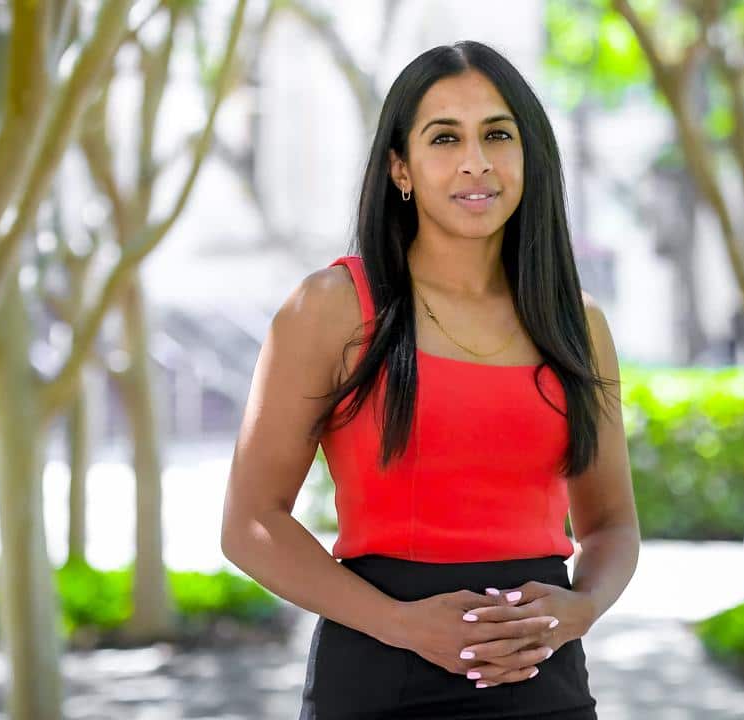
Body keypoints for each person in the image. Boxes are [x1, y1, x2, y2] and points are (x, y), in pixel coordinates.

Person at [220, 40, 640, 719]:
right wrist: (407, 626)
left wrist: (582, 609)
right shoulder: (330, 309)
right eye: (444, 137)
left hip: (545, 687)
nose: (475, 160)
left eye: (497, 134)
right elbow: (250, 523)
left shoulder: (577, 325)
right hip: (382, 683)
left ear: (528, 155)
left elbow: (613, 525)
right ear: (401, 168)